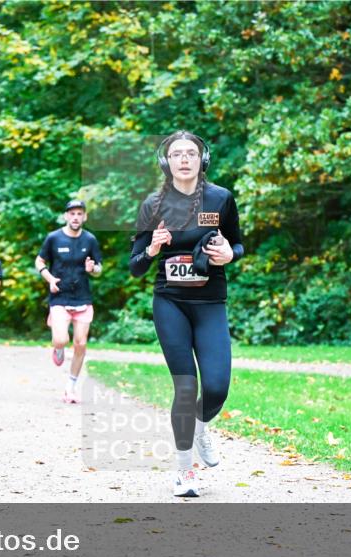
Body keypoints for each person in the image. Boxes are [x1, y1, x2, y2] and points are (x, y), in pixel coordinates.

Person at [128, 130, 244, 498]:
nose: (183, 159)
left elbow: (237, 242)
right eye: (176, 153)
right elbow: (134, 266)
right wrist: (151, 248)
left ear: (201, 160)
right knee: (186, 385)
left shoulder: (221, 198)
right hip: (170, 303)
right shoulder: (152, 205)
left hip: (210, 303)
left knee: (216, 387)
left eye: (190, 153)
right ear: (167, 162)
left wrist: (230, 253)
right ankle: (184, 471)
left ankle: (200, 428)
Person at [35, 199, 102, 403]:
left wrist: (94, 270)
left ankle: (70, 388)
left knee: (81, 344)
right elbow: (39, 261)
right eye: (72, 214)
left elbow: (99, 268)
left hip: (82, 297)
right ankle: (58, 345)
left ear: (85, 217)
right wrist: (49, 278)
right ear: (66, 216)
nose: (75, 217)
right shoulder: (53, 238)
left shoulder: (90, 240)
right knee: (61, 340)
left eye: (79, 214)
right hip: (59, 297)